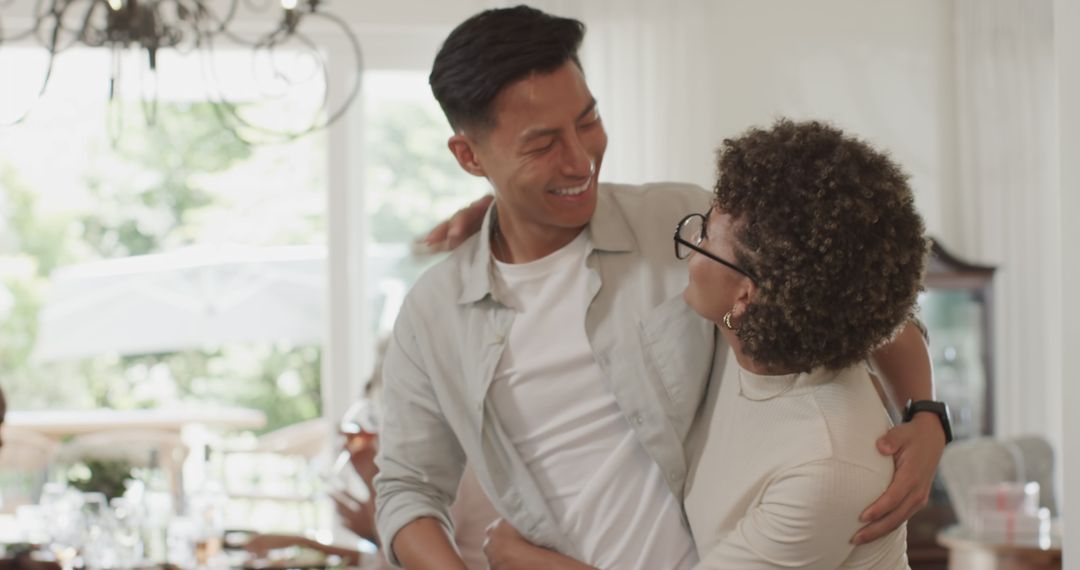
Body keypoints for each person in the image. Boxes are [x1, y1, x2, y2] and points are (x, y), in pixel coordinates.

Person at [375, 6, 946, 569]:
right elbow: (407, 490)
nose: (580, 160)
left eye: (588, 121)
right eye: (542, 144)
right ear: (469, 156)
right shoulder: (433, 313)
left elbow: (847, 299)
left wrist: (925, 414)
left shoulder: (681, 220)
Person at [484, 119, 931, 568]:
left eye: (703, 236)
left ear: (745, 296)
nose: (690, 247)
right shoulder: (766, 334)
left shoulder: (824, 464)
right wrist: (930, 415)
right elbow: (874, 304)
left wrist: (519, 559)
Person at [245, 345, 497, 570]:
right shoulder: (457, 447)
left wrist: (373, 488)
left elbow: (393, 566)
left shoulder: (442, 461)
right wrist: (306, 544)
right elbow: (383, 559)